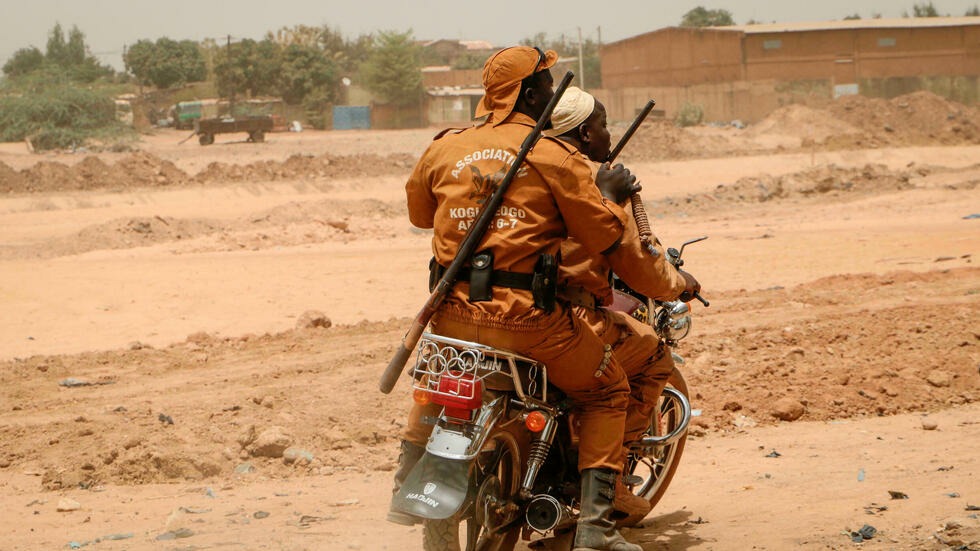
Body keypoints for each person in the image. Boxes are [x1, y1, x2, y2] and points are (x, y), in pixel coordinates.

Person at [393, 46, 647, 551]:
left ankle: (407, 472)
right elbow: (600, 234)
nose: (553, 97)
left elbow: (422, 215)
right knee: (606, 392)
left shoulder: (445, 147)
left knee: (440, 380)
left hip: (452, 316)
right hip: (530, 323)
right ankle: (596, 530)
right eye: (549, 88)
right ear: (531, 94)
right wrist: (614, 201)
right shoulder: (553, 153)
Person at [546, 87, 701, 523]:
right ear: (583, 132)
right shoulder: (580, 182)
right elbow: (637, 263)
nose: (608, 132)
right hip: (558, 317)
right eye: (602, 124)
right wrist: (679, 283)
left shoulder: (525, 168)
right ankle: (606, 485)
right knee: (650, 356)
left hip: (481, 306)